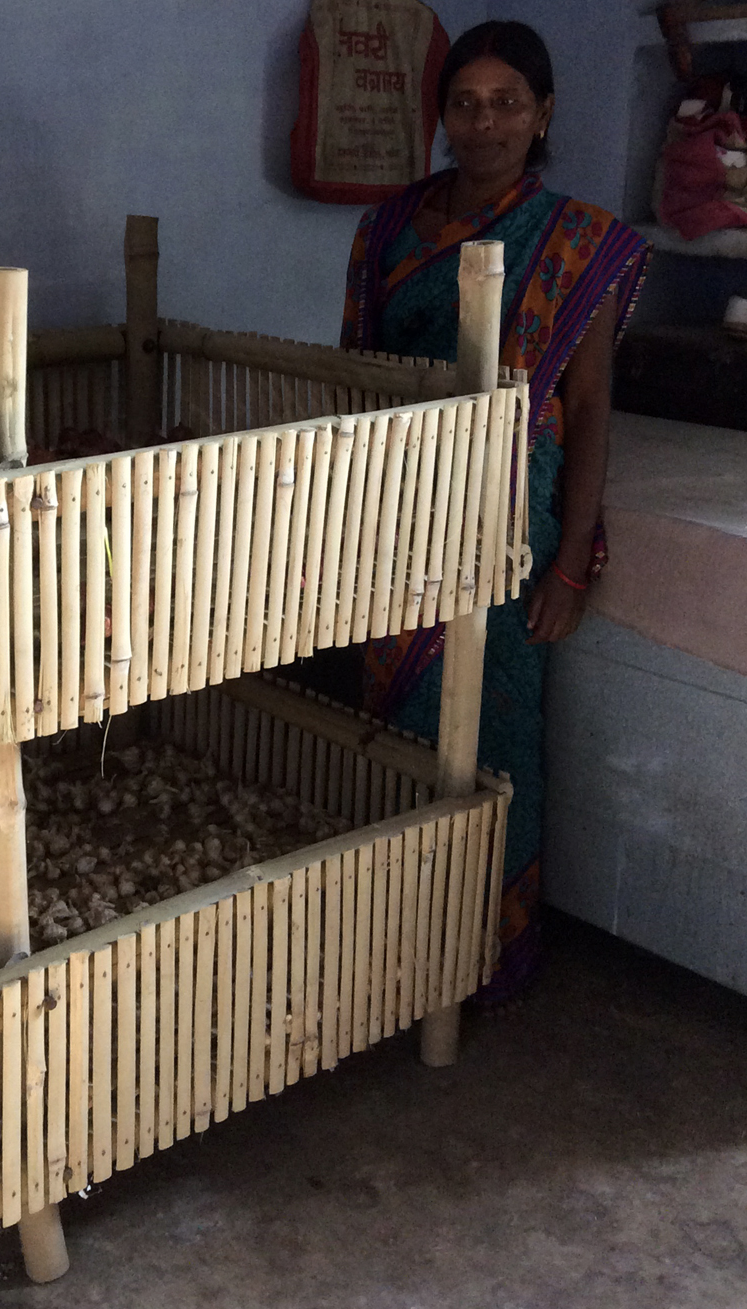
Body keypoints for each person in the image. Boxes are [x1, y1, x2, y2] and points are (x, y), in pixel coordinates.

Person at [340, 20, 651, 1009]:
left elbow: (592, 404)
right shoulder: (389, 228)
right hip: (391, 525)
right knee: (391, 732)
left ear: (544, 112)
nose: (484, 123)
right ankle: (386, 945)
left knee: (495, 741)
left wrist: (570, 562)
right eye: (465, 103)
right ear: (442, 114)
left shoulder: (580, 241)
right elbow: (353, 377)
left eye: (507, 102)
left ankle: (482, 950)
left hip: (511, 532)